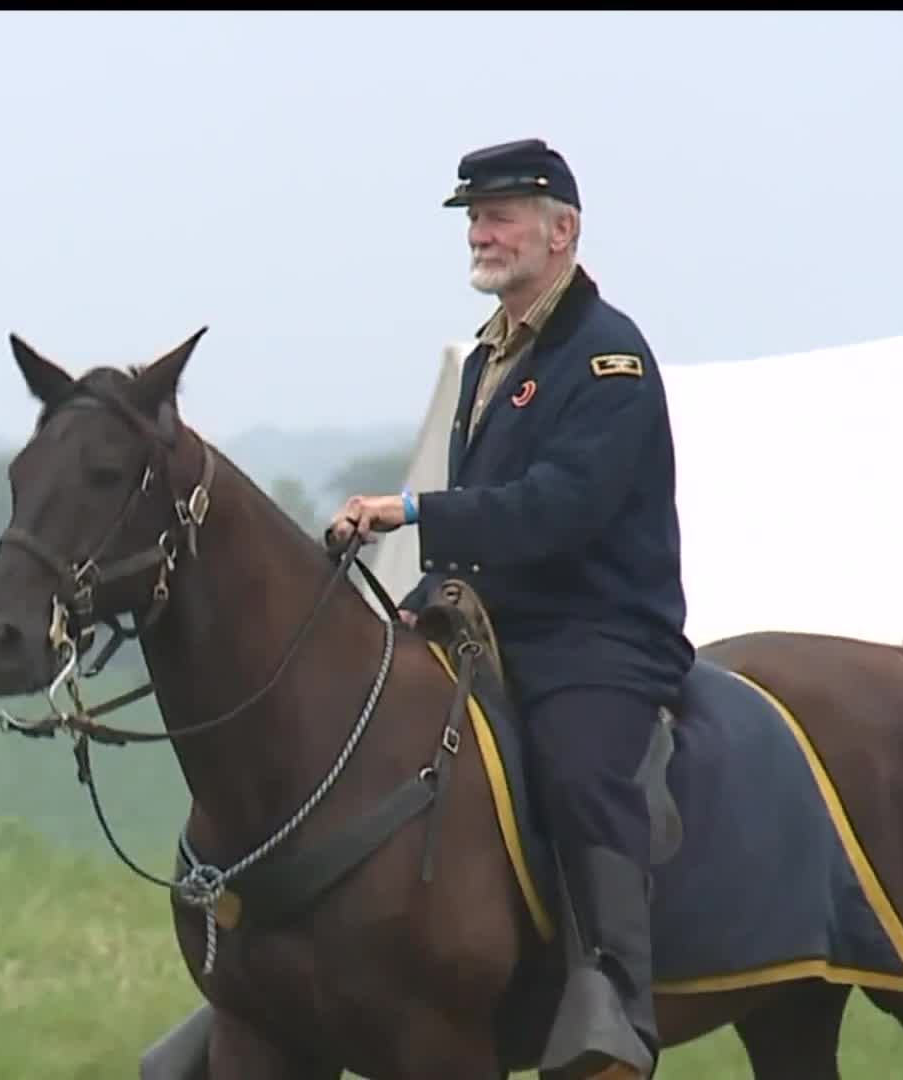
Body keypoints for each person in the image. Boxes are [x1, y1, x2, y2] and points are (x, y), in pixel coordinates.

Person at [326, 137, 694, 1080]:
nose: (480, 235)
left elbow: (557, 511)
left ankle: (613, 1000)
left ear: (561, 231)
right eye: (474, 218)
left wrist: (411, 509)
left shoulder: (609, 358)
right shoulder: (492, 355)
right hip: (497, 623)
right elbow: (487, 535)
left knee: (577, 768)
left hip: (599, 636)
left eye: (500, 217)